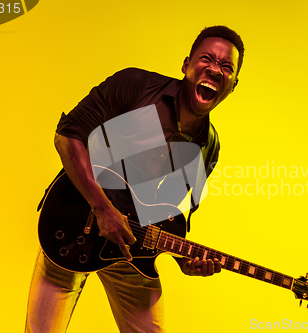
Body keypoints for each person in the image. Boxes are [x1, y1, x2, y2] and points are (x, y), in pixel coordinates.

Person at [25, 26, 245, 333]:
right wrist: (102, 209)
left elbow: (170, 214)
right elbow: (67, 136)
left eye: (227, 67)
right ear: (186, 65)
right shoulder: (136, 87)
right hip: (72, 225)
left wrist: (184, 258)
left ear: (233, 85)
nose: (215, 69)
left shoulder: (208, 147)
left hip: (132, 252)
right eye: (207, 58)